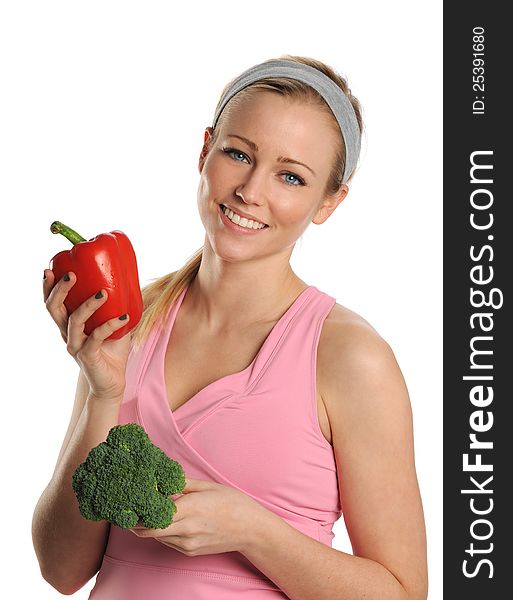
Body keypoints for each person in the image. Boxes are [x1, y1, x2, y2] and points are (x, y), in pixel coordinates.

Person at [33, 55, 428, 599]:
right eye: (238, 154)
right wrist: (106, 393)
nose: (250, 191)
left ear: (329, 202)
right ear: (205, 150)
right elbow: (62, 570)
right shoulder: (131, 320)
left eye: (291, 176)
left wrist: (253, 531)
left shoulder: (348, 357)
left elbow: (403, 593)